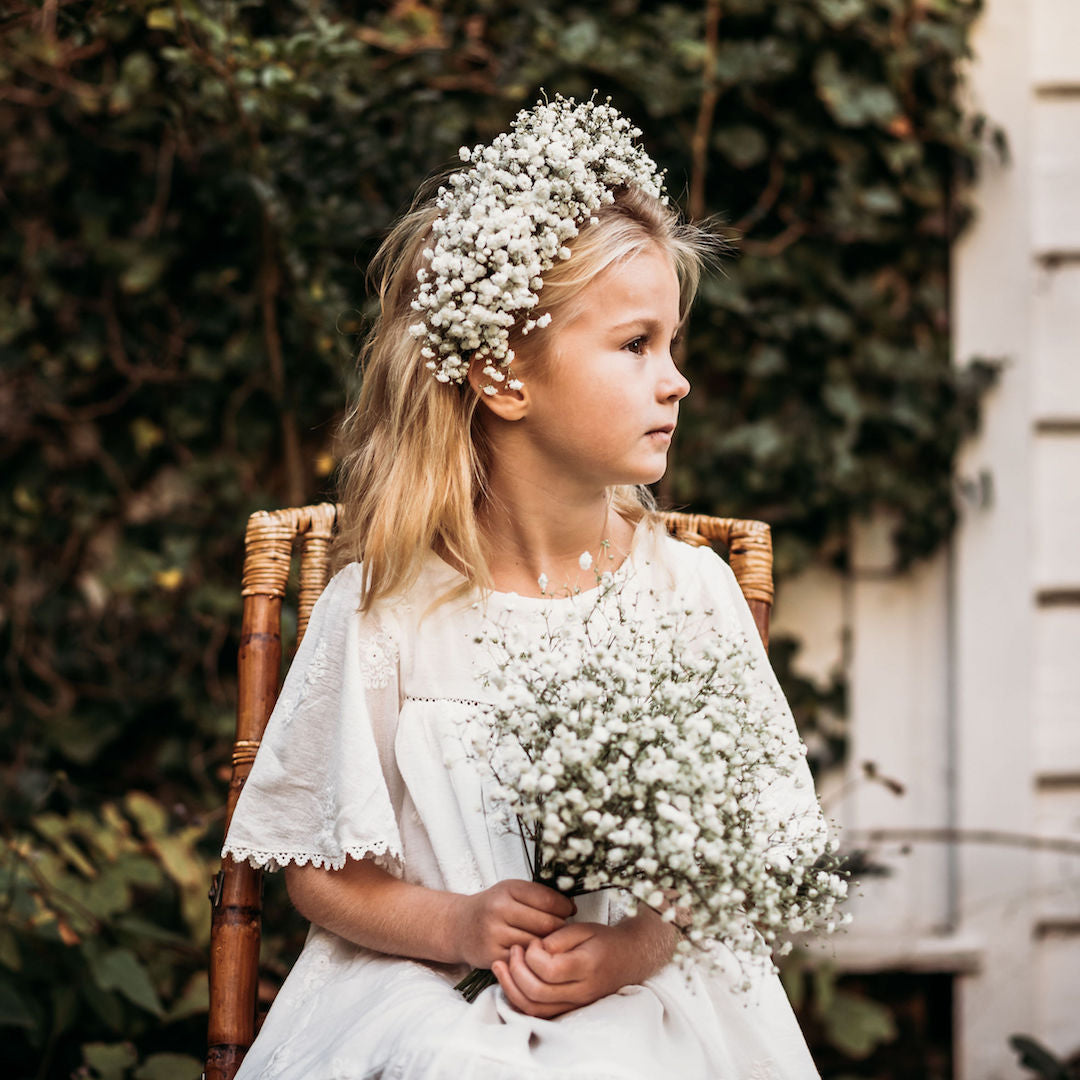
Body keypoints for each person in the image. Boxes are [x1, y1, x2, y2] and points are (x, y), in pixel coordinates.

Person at [222, 94, 826, 1079]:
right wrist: (459, 924)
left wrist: (640, 943)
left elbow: (755, 855)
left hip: (647, 997)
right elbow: (324, 878)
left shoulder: (687, 597)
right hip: (423, 991)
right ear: (504, 378)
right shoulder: (385, 611)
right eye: (635, 345)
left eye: (673, 345)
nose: (674, 380)